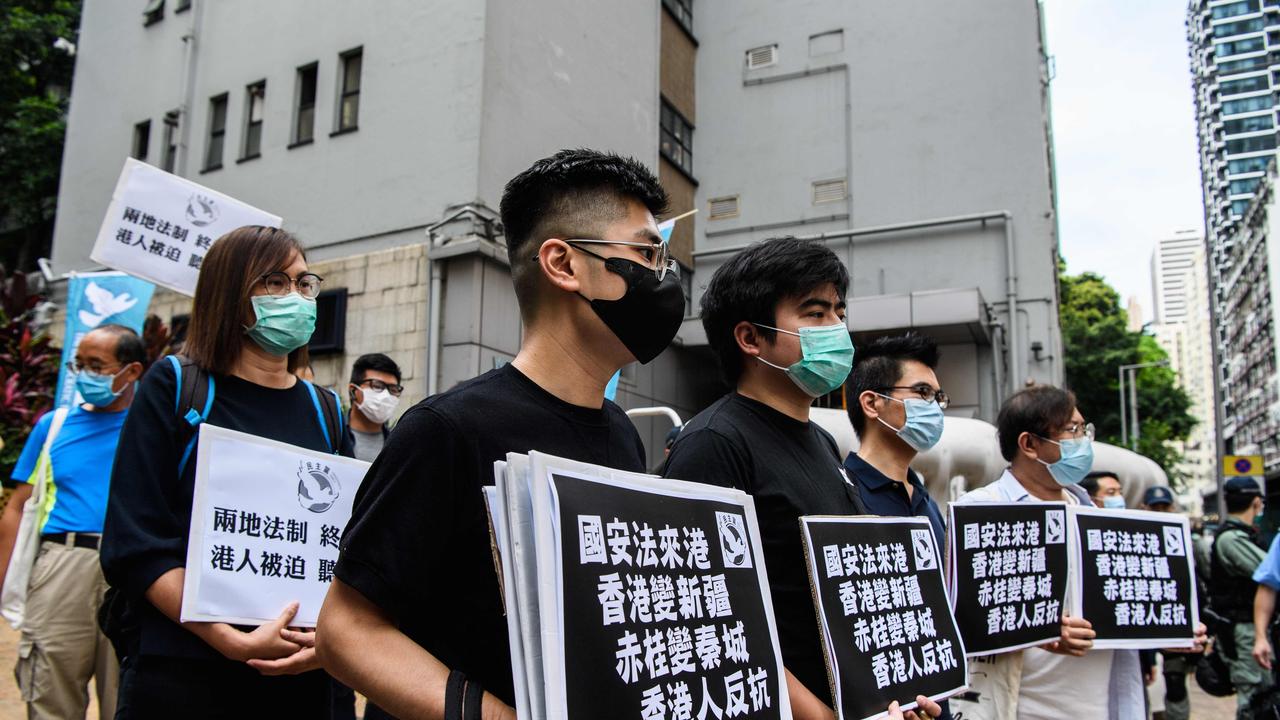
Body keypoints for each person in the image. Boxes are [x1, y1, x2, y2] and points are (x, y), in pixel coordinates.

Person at [315, 149, 689, 720]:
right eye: (644, 252)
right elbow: (347, 631)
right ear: (562, 264)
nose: (663, 276)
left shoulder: (621, 434)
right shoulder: (448, 429)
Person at [662, 238, 943, 720]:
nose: (837, 329)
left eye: (838, 311)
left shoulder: (822, 443)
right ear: (750, 338)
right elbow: (714, 622)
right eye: (814, 314)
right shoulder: (713, 443)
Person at [100, 226, 354, 718]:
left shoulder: (325, 410)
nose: (297, 298)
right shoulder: (175, 385)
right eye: (275, 283)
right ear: (230, 293)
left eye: (304, 284)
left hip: (301, 675)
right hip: (183, 669)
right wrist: (226, 639)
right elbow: (135, 543)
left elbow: (342, 545)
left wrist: (326, 640)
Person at [949, 386, 1135, 720]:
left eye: (1084, 429)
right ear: (1030, 445)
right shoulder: (981, 511)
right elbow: (963, 616)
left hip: (1099, 707)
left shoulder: (1094, 516)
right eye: (1072, 431)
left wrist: (1173, 629)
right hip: (1021, 708)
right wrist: (1042, 629)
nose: (1083, 441)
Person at [0, 325, 144, 719]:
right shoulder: (54, 426)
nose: (84, 374)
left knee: (128, 693)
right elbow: (18, 505)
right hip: (61, 564)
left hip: (132, 567)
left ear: (131, 372)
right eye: (78, 364)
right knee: (49, 686)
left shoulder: (152, 427)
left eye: (96, 366)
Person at [843, 333, 949, 552]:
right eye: (923, 392)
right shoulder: (842, 495)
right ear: (872, 403)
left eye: (939, 397)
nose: (935, 407)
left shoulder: (925, 500)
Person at [1200, 477, 1270, 719]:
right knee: (1251, 693)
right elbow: (1270, 572)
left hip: (1250, 627)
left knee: (1265, 691)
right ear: (1256, 503)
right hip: (1242, 630)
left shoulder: (1241, 536)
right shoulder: (1232, 539)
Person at [346, 353, 403, 463]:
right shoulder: (333, 437)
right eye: (377, 386)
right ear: (353, 390)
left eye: (393, 389)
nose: (386, 395)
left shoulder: (398, 445)